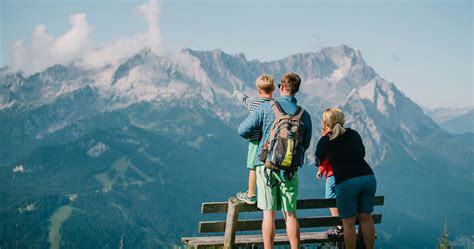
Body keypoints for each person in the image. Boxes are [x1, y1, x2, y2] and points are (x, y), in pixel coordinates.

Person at [238, 73, 312, 249]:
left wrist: (260, 136)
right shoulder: (304, 114)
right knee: (291, 214)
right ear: (296, 90)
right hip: (290, 169)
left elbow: (242, 130)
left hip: (267, 167)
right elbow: (306, 144)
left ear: (281, 87)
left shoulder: (267, 108)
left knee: (269, 214)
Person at [314, 108, 377, 249]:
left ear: (325, 123)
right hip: (368, 178)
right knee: (366, 219)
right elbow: (363, 153)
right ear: (342, 120)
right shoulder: (354, 134)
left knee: (348, 224)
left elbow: (318, 160)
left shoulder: (325, 140)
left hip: (347, 182)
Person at [233, 74, 275, 204]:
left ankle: (251, 194)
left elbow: (244, 98)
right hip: (270, 142)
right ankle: (271, 191)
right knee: (269, 165)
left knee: (253, 167)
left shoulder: (253, 103)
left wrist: (236, 92)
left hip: (255, 141)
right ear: (273, 88)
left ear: (258, 90)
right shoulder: (275, 105)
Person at [316, 109, 342, 237]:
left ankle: (338, 225)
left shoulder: (327, 135)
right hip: (346, 173)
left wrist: (321, 169)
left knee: (330, 197)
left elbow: (326, 156)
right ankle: (343, 223)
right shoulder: (344, 134)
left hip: (332, 173)